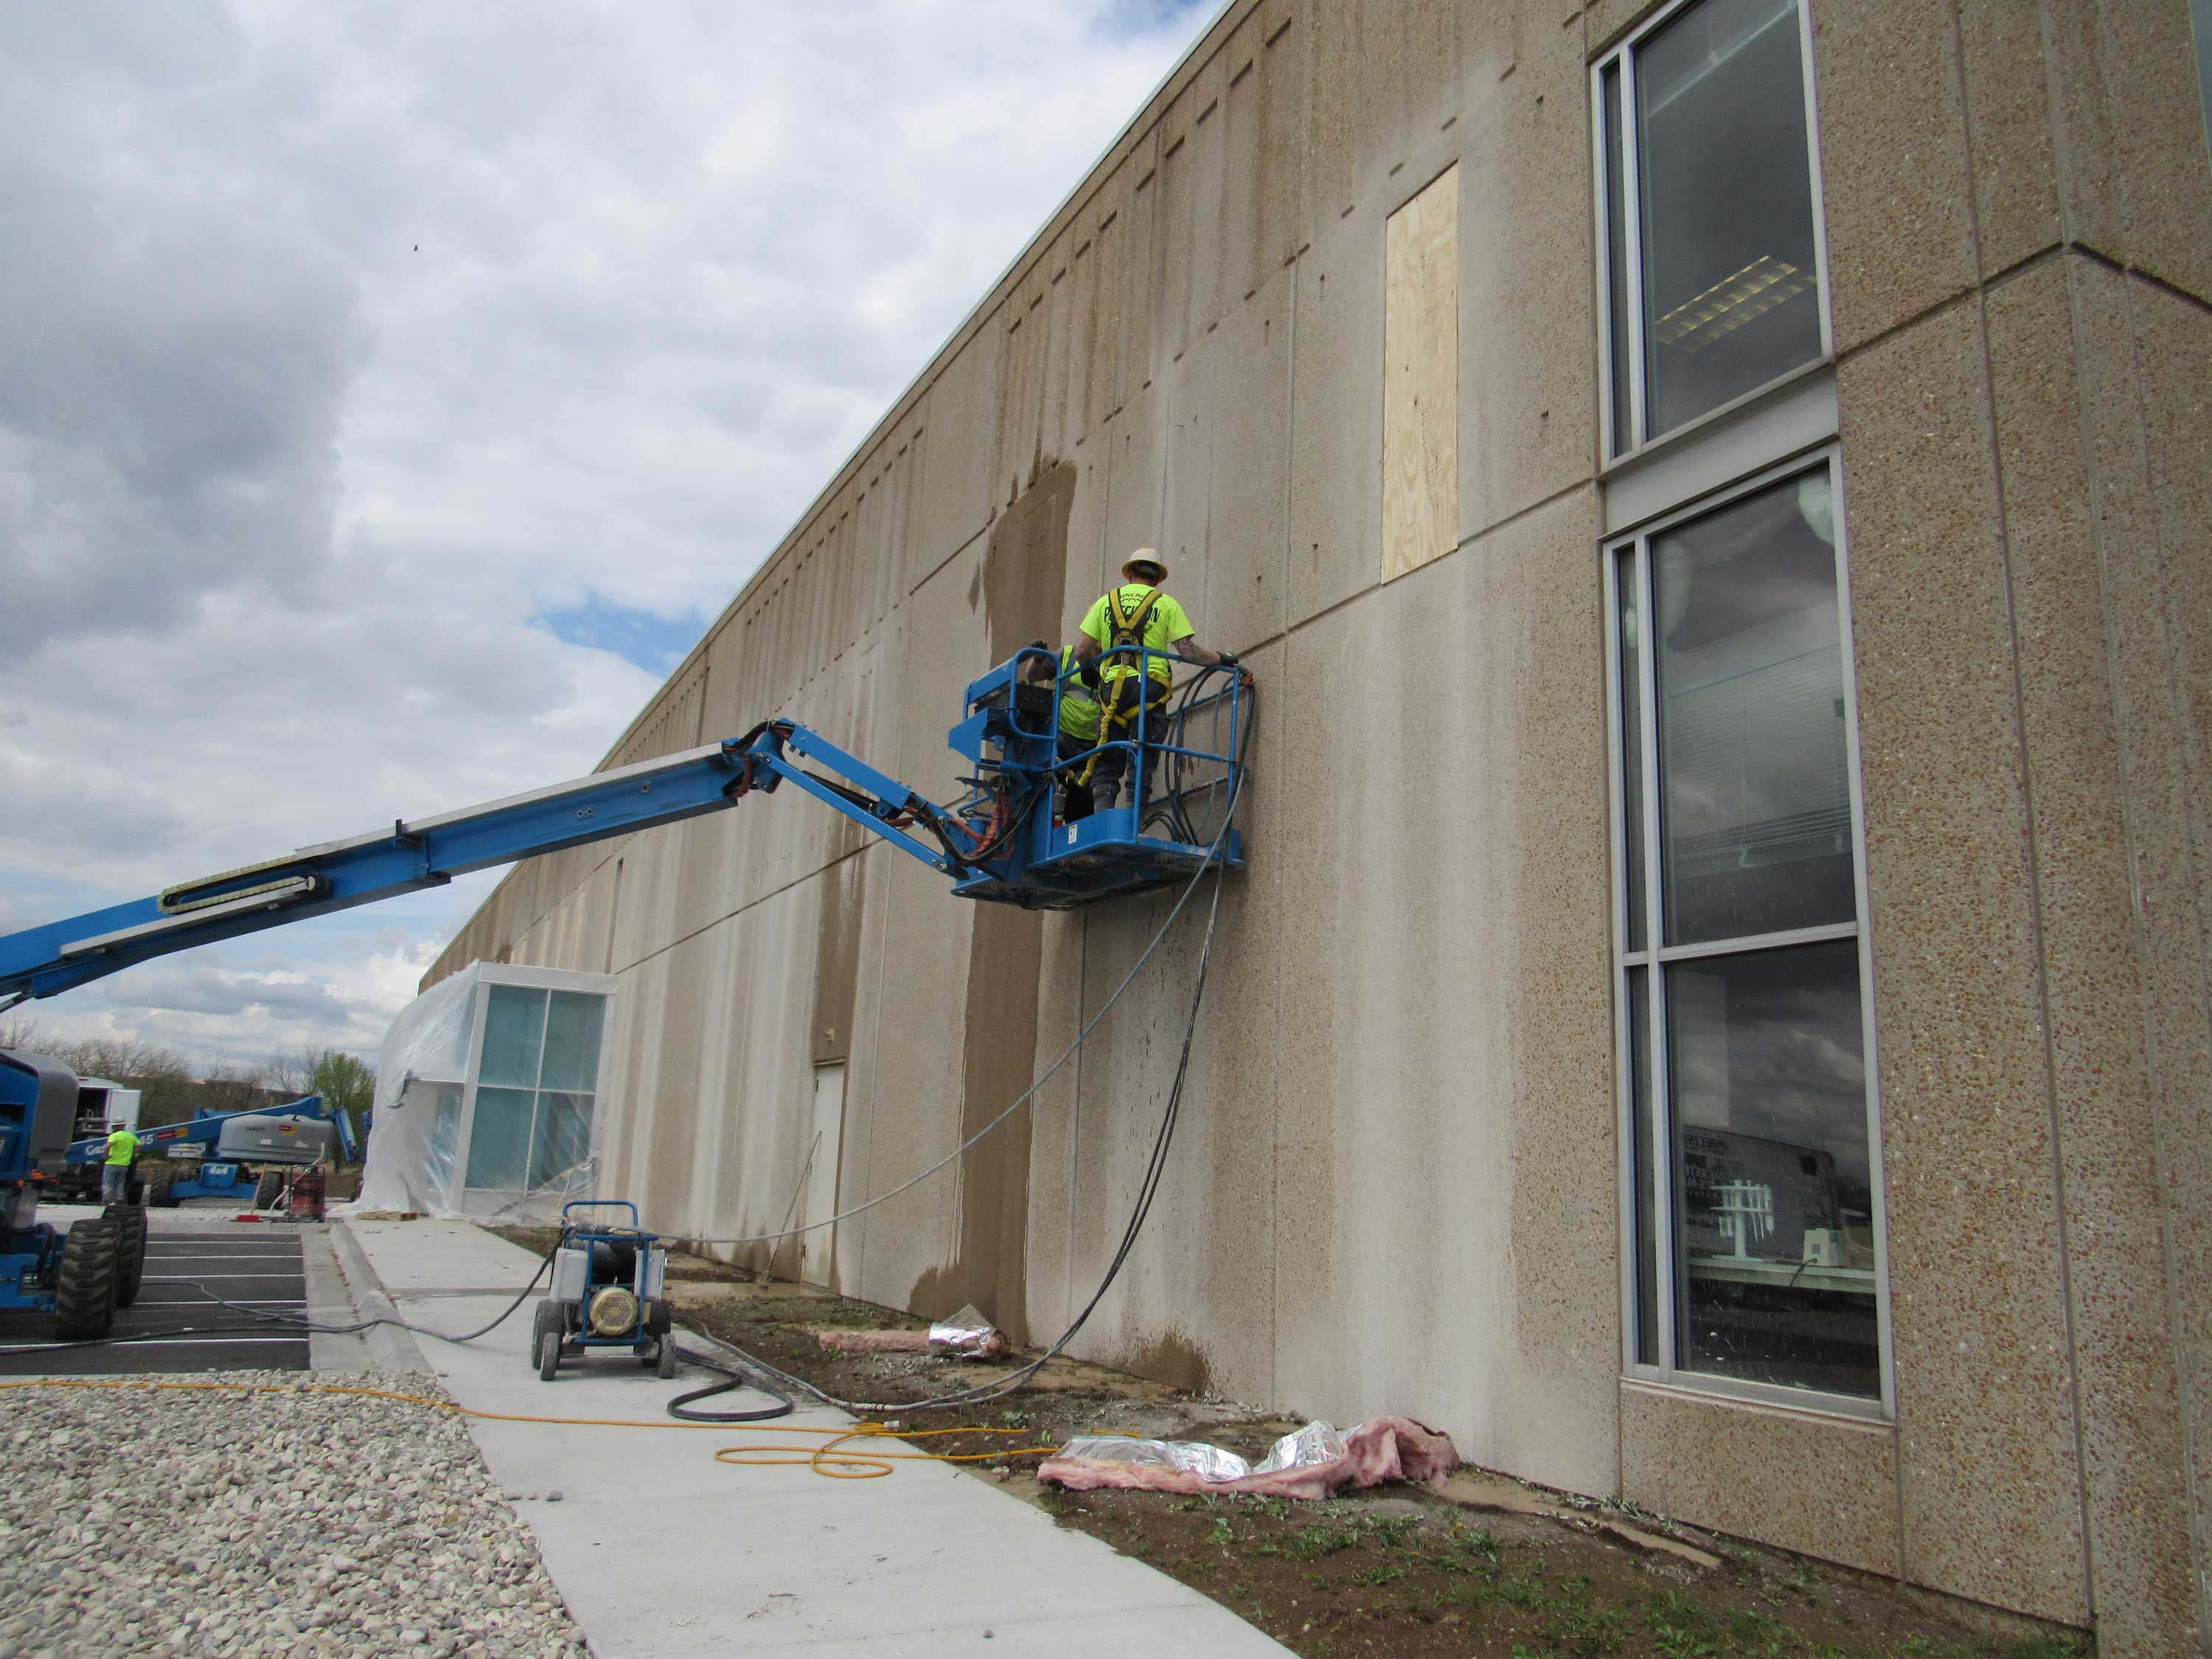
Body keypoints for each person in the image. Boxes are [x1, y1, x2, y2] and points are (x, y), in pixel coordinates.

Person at [1071, 550, 1251, 815]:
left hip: (1112, 693)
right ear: (1157, 580)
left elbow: (1082, 651)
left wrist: (1092, 672)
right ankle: (1135, 821)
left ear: (1130, 573)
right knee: (1143, 754)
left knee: (1107, 758)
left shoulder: (1104, 603)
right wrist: (1224, 659)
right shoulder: (1166, 603)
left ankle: (1103, 820)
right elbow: (1188, 652)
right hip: (1149, 689)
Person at [1026, 644, 1102, 821]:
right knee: (1053, 791)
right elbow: (1033, 675)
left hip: (1092, 748)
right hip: (1062, 739)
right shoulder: (1068, 655)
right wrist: (1037, 660)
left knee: (1083, 807)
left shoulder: (1112, 661)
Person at [101, 1119, 139, 1206]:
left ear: (118, 1126)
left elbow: (107, 1146)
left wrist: (106, 1156)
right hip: (124, 1164)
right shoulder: (130, 1136)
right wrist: (133, 1154)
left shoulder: (115, 1136)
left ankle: (107, 1201)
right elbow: (139, 1145)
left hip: (112, 1163)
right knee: (120, 1183)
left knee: (108, 1183)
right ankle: (119, 1200)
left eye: (114, 1126)